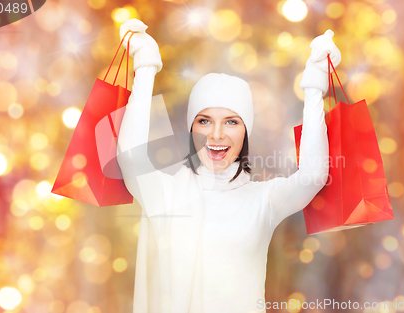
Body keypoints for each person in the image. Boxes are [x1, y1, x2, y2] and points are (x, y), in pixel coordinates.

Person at [116, 19, 341, 313]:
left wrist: (314, 88)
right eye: (204, 120)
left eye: (231, 122)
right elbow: (130, 155)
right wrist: (145, 67)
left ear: (246, 131)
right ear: (191, 127)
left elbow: (312, 176)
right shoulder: (164, 190)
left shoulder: (263, 200)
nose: (217, 135)